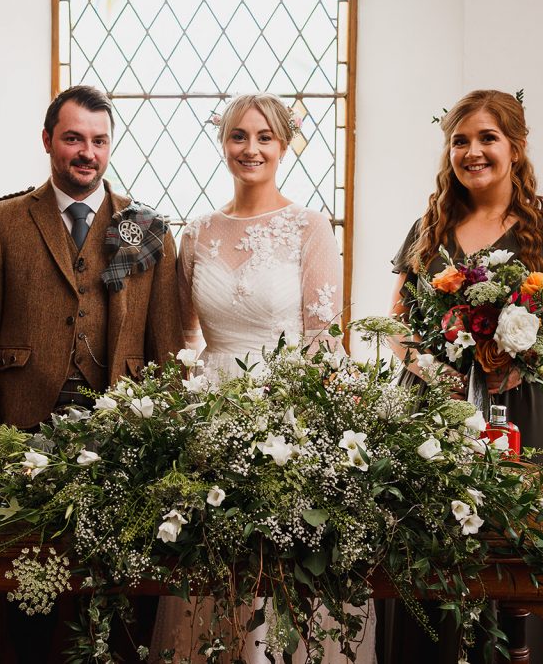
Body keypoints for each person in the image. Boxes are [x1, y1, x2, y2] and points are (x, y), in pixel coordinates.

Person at [0, 84, 184, 662]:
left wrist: (167, 441)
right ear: (47, 141)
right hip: (23, 426)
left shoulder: (145, 225)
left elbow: (166, 344)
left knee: (120, 586)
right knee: (28, 586)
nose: (87, 152)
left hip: (122, 425)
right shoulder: (5, 219)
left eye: (99, 141)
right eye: (74, 139)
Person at [151, 93, 376, 663]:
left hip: (287, 411)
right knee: (215, 561)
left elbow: (323, 338)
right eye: (239, 136)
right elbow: (183, 336)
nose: (250, 148)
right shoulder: (196, 234)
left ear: (284, 145)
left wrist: (315, 426)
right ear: (223, 142)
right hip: (210, 414)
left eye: (264, 137)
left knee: (277, 564)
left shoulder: (309, 227)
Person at [382, 89, 543, 663]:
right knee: (429, 554)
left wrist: (521, 367)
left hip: (527, 409)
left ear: (516, 148)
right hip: (435, 407)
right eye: (460, 141)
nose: (472, 152)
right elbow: (397, 325)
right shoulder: (428, 231)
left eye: (487, 138)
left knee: (518, 562)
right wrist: (435, 373)